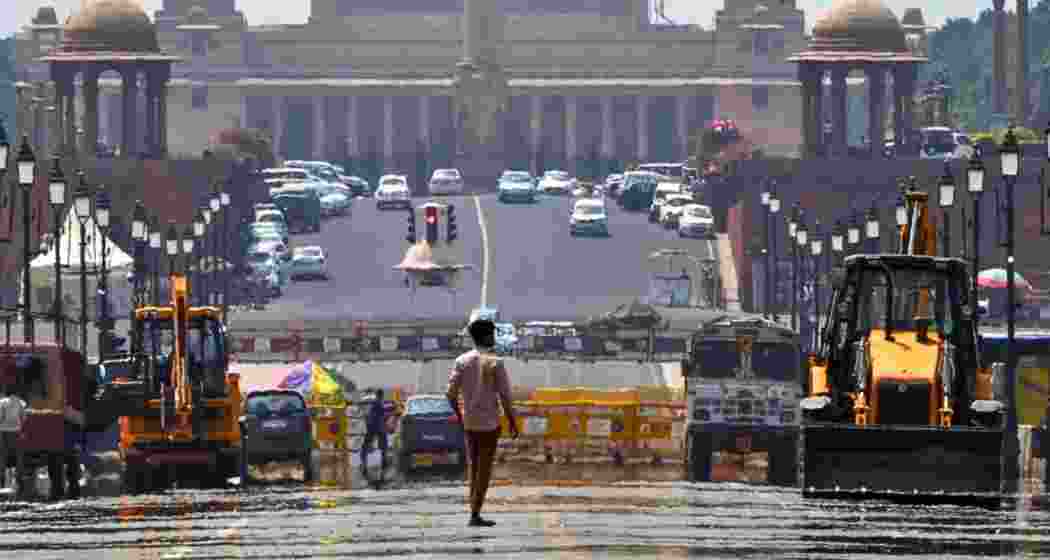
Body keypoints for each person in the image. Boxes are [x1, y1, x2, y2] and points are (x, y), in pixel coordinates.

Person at [447, 319, 519, 528]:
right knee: (484, 470)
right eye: (492, 334)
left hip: (469, 423)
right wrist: (512, 421)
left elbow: (450, 394)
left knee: (474, 467)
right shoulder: (495, 362)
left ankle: (474, 511)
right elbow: (505, 396)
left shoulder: (462, 361)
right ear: (487, 336)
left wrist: (460, 415)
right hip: (489, 424)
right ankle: (475, 514)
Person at [0, 374, 28, 491]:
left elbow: (0, 417)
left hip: (3, 432)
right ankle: (19, 479)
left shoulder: (2, 402)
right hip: (16, 432)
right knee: (19, 457)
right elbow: (24, 417)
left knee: (2, 456)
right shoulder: (21, 402)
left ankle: (1, 479)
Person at [361, 389, 388, 475]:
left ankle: (364, 466)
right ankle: (384, 462)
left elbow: (366, 415)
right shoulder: (378, 403)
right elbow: (382, 415)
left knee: (365, 447)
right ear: (382, 395)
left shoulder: (371, 402)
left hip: (371, 427)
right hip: (378, 428)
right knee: (383, 446)